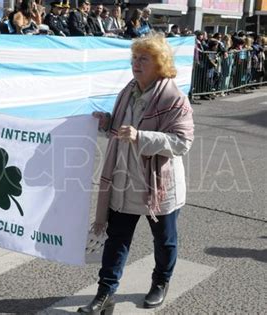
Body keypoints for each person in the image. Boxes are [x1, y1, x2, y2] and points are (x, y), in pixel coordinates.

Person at [77, 33, 194, 314]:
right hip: (123, 180)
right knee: (116, 241)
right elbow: (121, 132)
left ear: (160, 63)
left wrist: (142, 136)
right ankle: (105, 293)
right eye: (134, 58)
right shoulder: (128, 91)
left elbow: (182, 143)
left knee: (164, 240)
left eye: (143, 58)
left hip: (159, 186)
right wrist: (107, 123)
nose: (136, 63)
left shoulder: (175, 99)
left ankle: (160, 283)